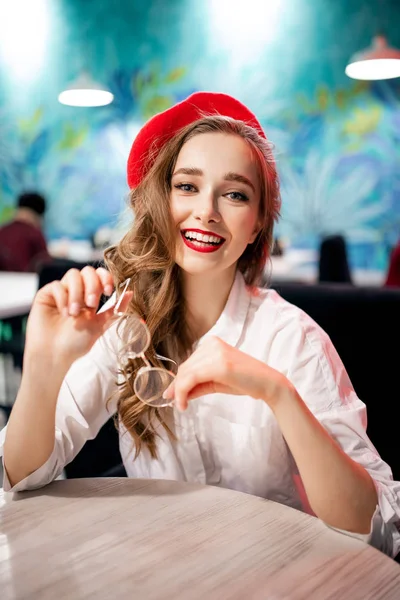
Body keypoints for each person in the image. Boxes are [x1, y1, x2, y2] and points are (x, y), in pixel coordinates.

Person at [1, 92, 399, 558]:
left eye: (234, 194)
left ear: (256, 225)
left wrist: (277, 393)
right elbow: (20, 475)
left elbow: (377, 531)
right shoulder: (122, 326)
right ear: (160, 201)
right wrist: (44, 368)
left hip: (273, 574)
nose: (206, 210)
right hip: (158, 569)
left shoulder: (293, 338)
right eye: (187, 186)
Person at [0, 191, 51, 272]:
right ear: (39, 216)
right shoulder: (35, 234)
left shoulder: (2, 231)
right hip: (25, 282)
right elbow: (46, 265)